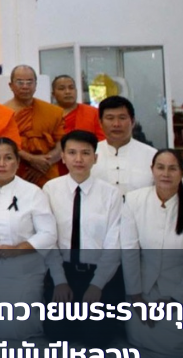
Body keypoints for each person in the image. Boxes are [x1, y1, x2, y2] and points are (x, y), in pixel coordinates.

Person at [120, 149, 183, 355]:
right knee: (140, 332)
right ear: (152, 170)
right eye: (160, 167)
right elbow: (129, 251)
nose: (166, 173)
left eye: (172, 168)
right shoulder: (133, 200)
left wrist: (174, 300)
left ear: (182, 173)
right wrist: (136, 297)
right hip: (145, 286)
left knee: (176, 339)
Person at [0, 138, 56, 339]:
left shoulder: (33, 192)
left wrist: (16, 249)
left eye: (8, 158)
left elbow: (48, 234)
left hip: (23, 270)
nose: (2, 164)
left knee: (14, 329)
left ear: (17, 162)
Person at [42, 130, 123, 346]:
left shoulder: (111, 194)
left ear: (95, 158)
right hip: (63, 271)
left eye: (86, 153)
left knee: (96, 338)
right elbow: (48, 239)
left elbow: (114, 245)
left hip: (99, 274)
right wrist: (59, 281)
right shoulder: (51, 189)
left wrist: (97, 284)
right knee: (56, 333)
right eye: (72, 153)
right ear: (64, 157)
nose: (79, 159)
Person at [4, 65, 64, 186]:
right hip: (15, 171)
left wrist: (45, 163)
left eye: (29, 82)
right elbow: (3, 143)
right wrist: (32, 160)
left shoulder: (52, 111)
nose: (25, 86)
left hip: (47, 173)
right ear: (11, 86)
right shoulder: (2, 112)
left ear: (36, 85)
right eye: (20, 82)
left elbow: (62, 143)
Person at [94, 96, 156, 197]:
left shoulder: (152, 155)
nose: (116, 124)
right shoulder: (90, 153)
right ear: (100, 123)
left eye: (122, 118)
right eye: (110, 118)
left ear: (133, 121)